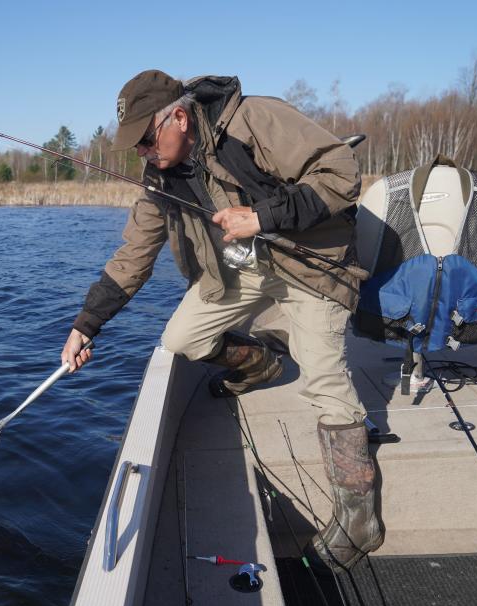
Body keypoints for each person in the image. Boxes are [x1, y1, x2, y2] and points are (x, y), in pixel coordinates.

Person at [60, 69, 382, 572]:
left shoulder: (254, 120)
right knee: (181, 337)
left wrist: (263, 216)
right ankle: (261, 365)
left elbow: (341, 174)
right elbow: (132, 256)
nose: (141, 153)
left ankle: (360, 522)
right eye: (135, 147)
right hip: (244, 269)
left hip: (310, 262)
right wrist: (87, 323)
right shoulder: (158, 178)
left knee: (323, 377)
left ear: (180, 118)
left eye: (146, 140)